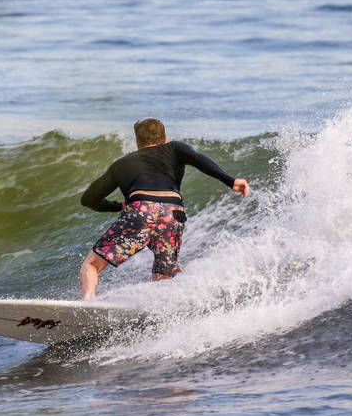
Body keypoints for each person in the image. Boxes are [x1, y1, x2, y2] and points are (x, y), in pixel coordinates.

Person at [79, 118, 250, 299]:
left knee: (91, 265)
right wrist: (230, 180)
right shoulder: (174, 148)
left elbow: (89, 199)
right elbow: (199, 159)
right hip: (173, 214)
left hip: (142, 211)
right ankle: (189, 300)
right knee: (163, 276)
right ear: (165, 138)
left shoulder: (122, 164)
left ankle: (88, 302)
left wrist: (116, 206)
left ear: (137, 142)